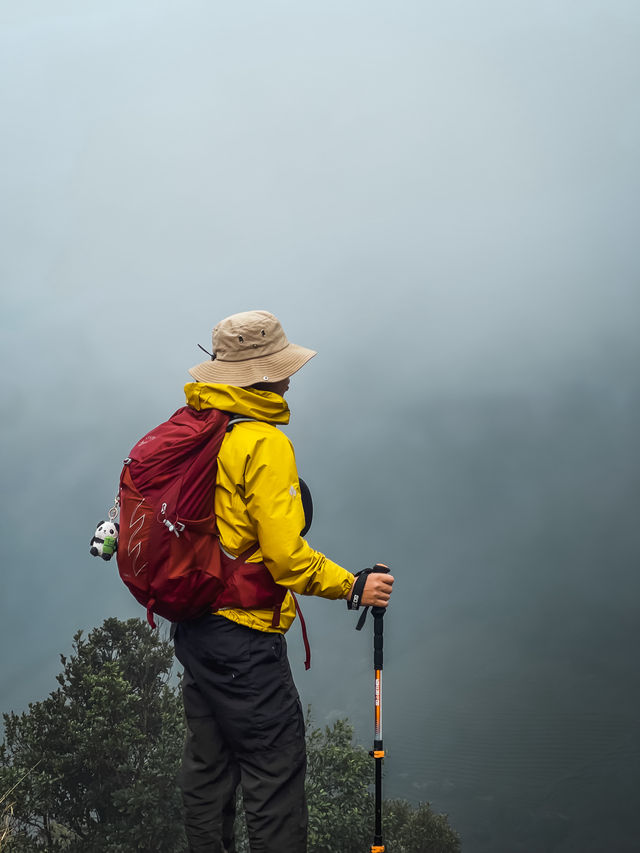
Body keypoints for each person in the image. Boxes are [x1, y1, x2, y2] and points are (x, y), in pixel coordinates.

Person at [172, 310, 394, 853]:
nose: (290, 377)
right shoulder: (262, 443)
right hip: (244, 639)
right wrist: (353, 586)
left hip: (194, 627)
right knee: (273, 774)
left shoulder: (198, 426)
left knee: (208, 769)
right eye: (282, 367)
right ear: (262, 375)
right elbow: (286, 559)